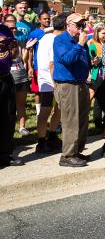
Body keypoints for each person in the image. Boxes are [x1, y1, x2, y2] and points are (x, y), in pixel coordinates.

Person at [53, 13, 91, 167]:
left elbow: (84, 60)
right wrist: (80, 45)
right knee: (71, 121)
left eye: (83, 25)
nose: (81, 28)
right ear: (68, 25)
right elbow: (67, 59)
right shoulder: (60, 40)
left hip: (81, 84)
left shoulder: (81, 41)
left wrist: (91, 61)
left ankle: (76, 151)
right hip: (67, 85)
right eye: (78, 25)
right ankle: (67, 155)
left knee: (82, 120)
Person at [35, 14, 64, 153]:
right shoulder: (53, 39)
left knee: (58, 109)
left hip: (49, 79)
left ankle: (52, 136)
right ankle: (41, 142)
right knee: (46, 110)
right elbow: (52, 64)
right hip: (49, 81)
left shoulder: (46, 37)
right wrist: (56, 83)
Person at [0, 24, 24, 167]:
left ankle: (5, 154)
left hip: (6, 77)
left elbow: (14, 55)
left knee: (8, 117)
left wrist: (14, 47)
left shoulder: (5, 30)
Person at [89, 23, 105, 133]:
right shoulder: (93, 44)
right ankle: (100, 124)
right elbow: (93, 61)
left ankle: (100, 124)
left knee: (100, 100)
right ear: (96, 33)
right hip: (98, 75)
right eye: (102, 33)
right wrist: (98, 60)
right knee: (101, 100)